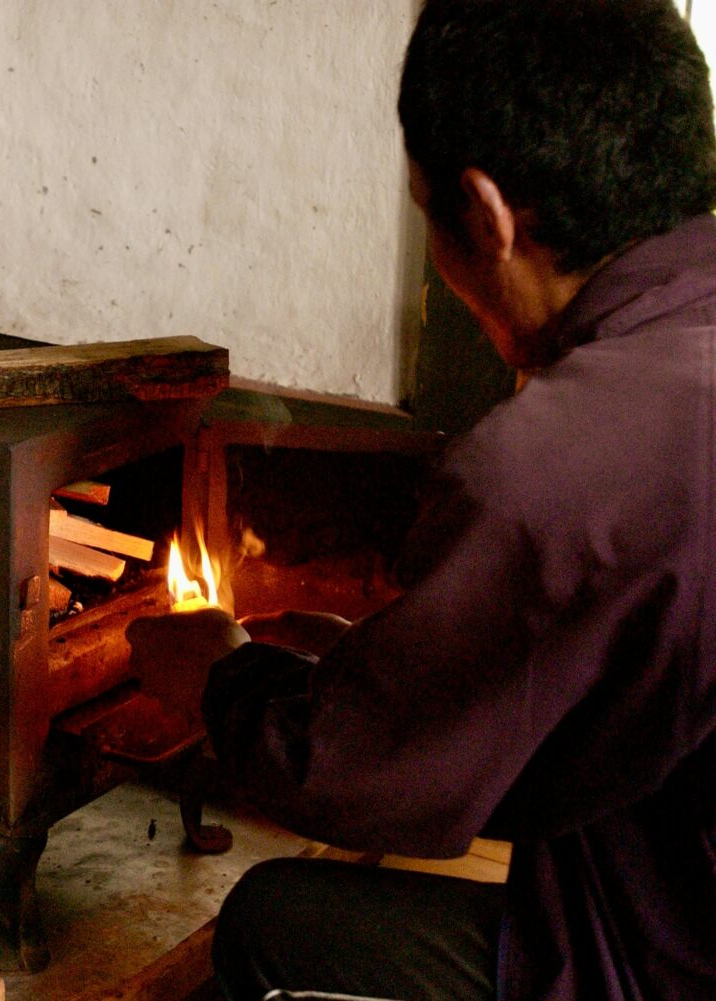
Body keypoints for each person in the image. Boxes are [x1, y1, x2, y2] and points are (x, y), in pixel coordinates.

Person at [137, 1, 716, 997]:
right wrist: (375, 660)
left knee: (276, 921)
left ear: (485, 217)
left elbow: (356, 781)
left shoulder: (561, 459)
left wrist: (220, 679)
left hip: (663, 960)